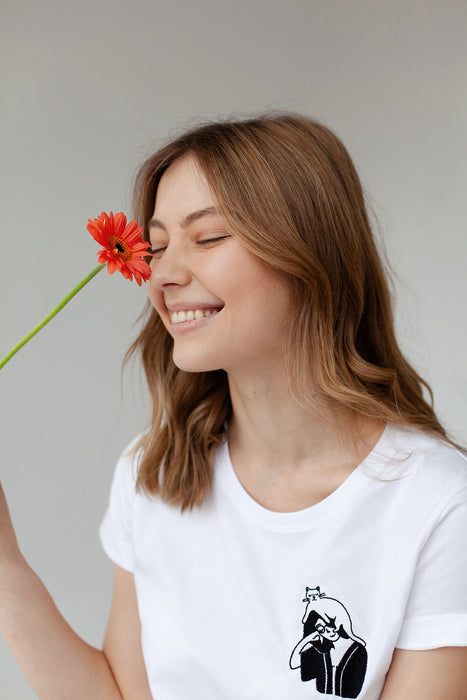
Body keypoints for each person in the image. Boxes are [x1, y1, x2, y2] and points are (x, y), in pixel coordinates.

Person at [0, 114, 466, 699]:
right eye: (158, 245)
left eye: (209, 237)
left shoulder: (438, 502)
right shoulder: (156, 473)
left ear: (309, 253)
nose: (162, 275)